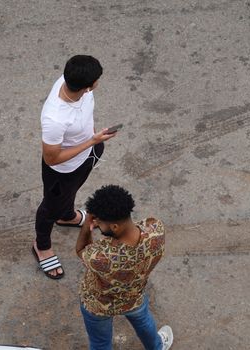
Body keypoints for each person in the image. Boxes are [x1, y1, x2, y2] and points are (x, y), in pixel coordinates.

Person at [32, 55, 118, 279]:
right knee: (49, 208)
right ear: (90, 85)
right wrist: (91, 141)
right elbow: (51, 158)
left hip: (86, 155)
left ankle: (67, 216)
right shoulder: (55, 118)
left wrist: (93, 141)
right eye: (97, 80)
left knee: (70, 195)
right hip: (63, 170)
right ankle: (41, 246)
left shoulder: (76, 85)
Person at [76, 185, 173, 350]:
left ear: (114, 227)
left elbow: (80, 250)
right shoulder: (156, 229)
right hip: (133, 296)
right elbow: (141, 226)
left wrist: (86, 226)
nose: (97, 224)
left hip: (99, 304)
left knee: (100, 343)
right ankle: (156, 346)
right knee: (144, 322)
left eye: (99, 222)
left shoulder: (100, 257)